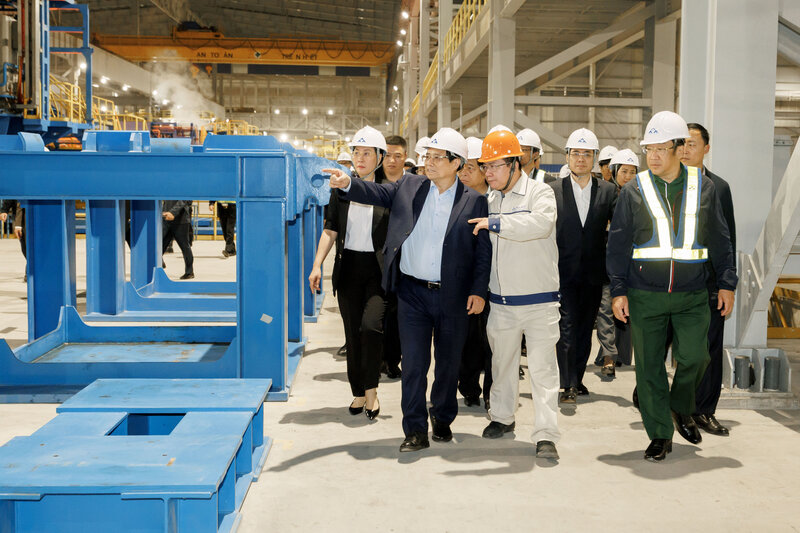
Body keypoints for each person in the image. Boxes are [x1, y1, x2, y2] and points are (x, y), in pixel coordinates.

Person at [326, 127, 491, 453]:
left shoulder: (474, 202)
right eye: (427, 156)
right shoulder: (410, 185)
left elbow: (482, 252)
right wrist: (348, 184)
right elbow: (377, 194)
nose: (429, 163)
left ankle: (442, 417)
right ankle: (415, 430)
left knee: (446, 364)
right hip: (412, 293)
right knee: (414, 365)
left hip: (453, 295)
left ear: (457, 163)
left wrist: (479, 290)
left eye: (437, 158)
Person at [607, 111, 737, 462]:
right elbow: (617, 245)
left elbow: (721, 240)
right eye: (649, 149)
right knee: (648, 368)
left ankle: (680, 406)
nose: (653, 156)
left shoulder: (703, 187)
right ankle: (660, 434)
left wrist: (727, 282)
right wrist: (618, 290)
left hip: (693, 294)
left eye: (662, 148)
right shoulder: (635, 189)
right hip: (644, 295)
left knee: (696, 358)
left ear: (681, 149)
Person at [468, 129, 561, 459]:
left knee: (543, 371)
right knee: (502, 365)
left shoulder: (540, 193)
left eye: (494, 166)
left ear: (515, 163)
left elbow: (540, 225)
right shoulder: (489, 199)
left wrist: (496, 224)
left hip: (539, 302)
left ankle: (546, 433)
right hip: (501, 303)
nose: (488, 173)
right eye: (486, 166)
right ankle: (503, 418)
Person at [310, 126, 390, 421]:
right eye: (356, 152)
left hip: (377, 272)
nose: (360, 158)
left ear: (380, 157)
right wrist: (317, 264)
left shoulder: (387, 191)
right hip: (349, 270)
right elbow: (330, 229)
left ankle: (372, 390)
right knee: (353, 334)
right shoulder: (339, 189)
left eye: (367, 153)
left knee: (371, 328)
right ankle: (359, 391)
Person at [551, 128, 617, 404]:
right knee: (565, 328)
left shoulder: (608, 191)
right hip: (562, 272)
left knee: (583, 330)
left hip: (592, 274)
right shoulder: (552, 191)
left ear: (594, 158)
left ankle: (576, 378)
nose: (580, 158)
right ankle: (566, 383)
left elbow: (619, 230)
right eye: (575, 153)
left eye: (586, 154)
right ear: (567, 156)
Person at [682, 122, 737, 436]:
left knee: (711, 350)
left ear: (706, 148)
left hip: (711, 285)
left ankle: (705, 412)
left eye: (693, 144)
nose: (687, 149)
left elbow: (728, 238)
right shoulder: (668, 185)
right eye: (683, 144)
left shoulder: (719, 187)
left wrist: (727, 284)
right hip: (678, 285)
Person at [595, 148, 641, 377]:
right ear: (613, 172)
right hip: (608, 266)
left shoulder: (640, 197)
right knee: (605, 310)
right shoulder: (606, 195)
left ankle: (618, 355)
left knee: (627, 314)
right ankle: (608, 357)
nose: (628, 176)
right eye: (624, 171)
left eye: (633, 172)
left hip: (634, 266)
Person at [457, 137, 493, 410]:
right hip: (465, 283)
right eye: (461, 168)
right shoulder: (456, 200)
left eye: (470, 167)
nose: (464, 173)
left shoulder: (498, 199)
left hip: (498, 283)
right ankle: (469, 388)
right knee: (467, 340)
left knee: (494, 342)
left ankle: (493, 392)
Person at [381, 135, 412, 379]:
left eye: (398, 155)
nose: (392, 160)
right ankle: (378, 359)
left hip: (404, 263)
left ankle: (392, 359)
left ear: (405, 157)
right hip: (375, 262)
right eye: (388, 155)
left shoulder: (414, 187)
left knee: (398, 316)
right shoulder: (373, 185)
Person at [162, 200, 194, 279]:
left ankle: (189, 272)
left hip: (181, 221)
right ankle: (158, 264)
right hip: (166, 219)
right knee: (159, 245)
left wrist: (173, 212)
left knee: (185, 247)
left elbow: (184, 200)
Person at [0, 200, 26, 281]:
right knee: (25, 247)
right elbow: (13, 196)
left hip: (37, 211)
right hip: (21, 217)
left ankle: (31, 271)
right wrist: (4, 210)